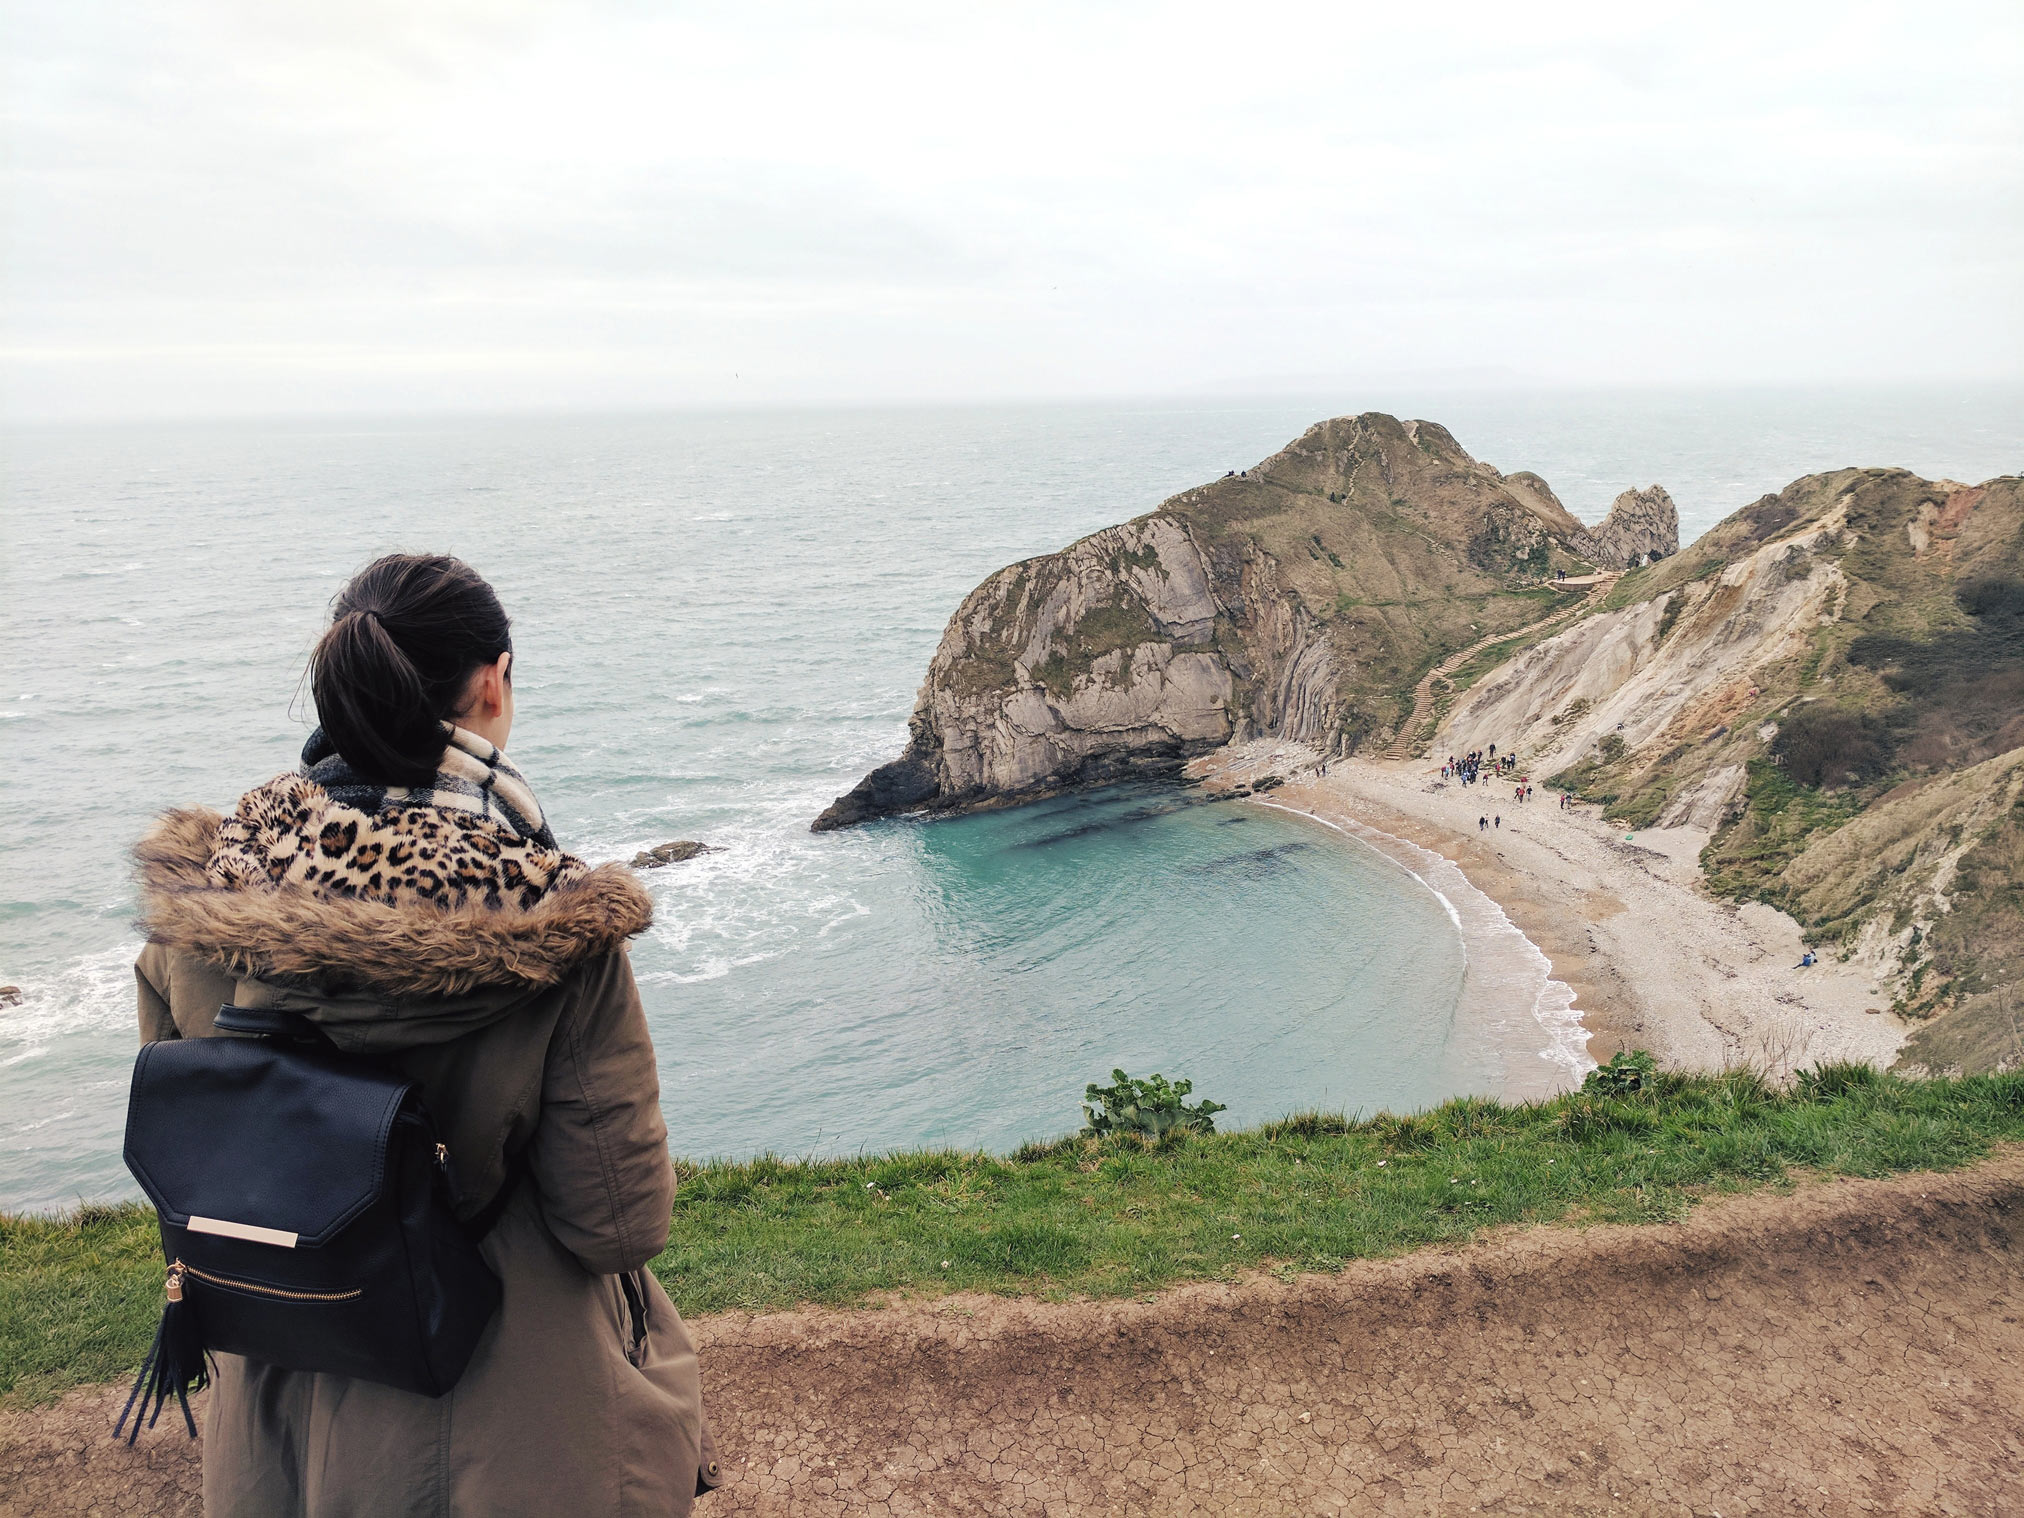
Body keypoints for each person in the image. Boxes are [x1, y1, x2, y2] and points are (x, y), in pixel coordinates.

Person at [131, 555, 717, 1516]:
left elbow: (194, 1151)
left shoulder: (204, 909)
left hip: (285, 1402)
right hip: (512, 1418)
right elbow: (617, 1224)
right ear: (493, 682)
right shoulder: (554, 933)